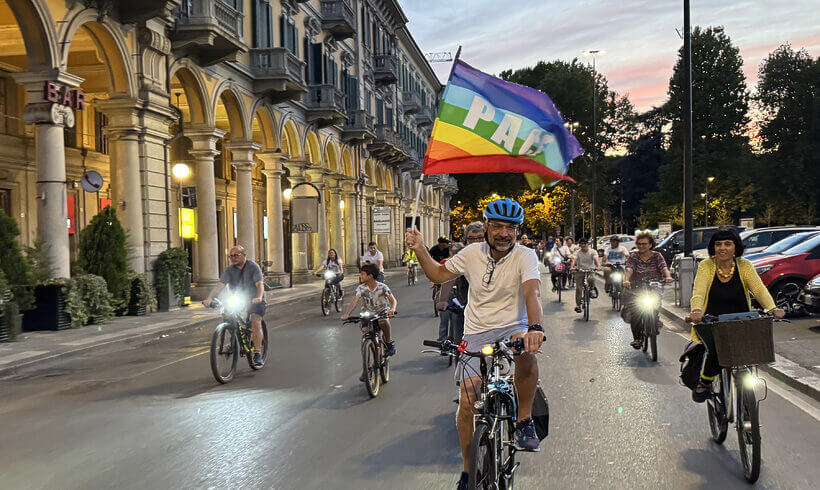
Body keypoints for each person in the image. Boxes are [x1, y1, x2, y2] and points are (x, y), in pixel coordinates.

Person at [406, 197, 545, 490]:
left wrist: (534, 328)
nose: (504, 233)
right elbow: (438, 274)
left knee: (527, 351)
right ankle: (468, 471)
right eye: (497, 226)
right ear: (486, 227)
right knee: (468, 401)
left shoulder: (526, 256)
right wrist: (419, 248)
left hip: (514, 326)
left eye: (510, 228)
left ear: (518, 231)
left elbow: (532, 293)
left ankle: (523, 421)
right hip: (477, 331)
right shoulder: (470, 253)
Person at [688, 228, 785, 402]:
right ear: (713, 247)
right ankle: (705, 381)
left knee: (748, 352)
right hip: (713, 320)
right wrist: (696, 311)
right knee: (716, 352)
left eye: (727, 244)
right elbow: (699, 292)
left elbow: (759, 289)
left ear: (736, 247)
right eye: (718, 244)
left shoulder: (744, 265)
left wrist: (772, 308)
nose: (722, 248)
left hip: (742, 321)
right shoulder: (706, 265)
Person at [202, 245, 266, 367]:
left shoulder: (253, 267)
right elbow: (219, 285)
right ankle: (234, 337)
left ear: (244, 255)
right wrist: (209, 298)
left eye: (236, 255)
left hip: (254, 299)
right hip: (238, 299)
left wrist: (259, 297)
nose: (233, 258)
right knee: (227, 316)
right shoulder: (229, 270)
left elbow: (260, 284)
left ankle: (257, 352)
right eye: (231, 256)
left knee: (255, 320)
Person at [341, 264, 398, 369]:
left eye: (362, 274)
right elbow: (354, 301)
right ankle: (366, 367)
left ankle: (389, 343)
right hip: (367, 314)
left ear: (370, 276)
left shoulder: (382, 287)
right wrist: (347, 314)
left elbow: (393, 300)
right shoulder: (361, 288)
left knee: (383, 322)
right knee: (365, 337)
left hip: (381, 312)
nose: (360, 276)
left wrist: (392, 309)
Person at [623, 232, 673, 348]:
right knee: (636, 312)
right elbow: (629, 269)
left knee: (656, 302)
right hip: (638, 286)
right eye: (639, 244)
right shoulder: (634, 256)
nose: (642, 246)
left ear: (650, 245)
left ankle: (655, 319)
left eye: (644, 244)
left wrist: (668, 276)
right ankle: (637, 338)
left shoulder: (657, 256)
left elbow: (663, 267)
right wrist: (626, 280)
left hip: (654, 284)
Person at [436, 242, 465, 344]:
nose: (454, 254)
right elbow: (438, 273)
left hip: (462, 294)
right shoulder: (445, 262)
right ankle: (442, 340)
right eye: (453, 252)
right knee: (444, 317)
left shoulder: (466, 260)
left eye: (457, 252)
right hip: (449, 293)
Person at [570, 238, 601, 313]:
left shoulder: (592, 251)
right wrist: (572, 267)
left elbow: (596, 260)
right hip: (580, 271)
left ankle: (592, 289)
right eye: (582, 244)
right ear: (580, 245)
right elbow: (574, 260)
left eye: (585, 243)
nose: (583, 245)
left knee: (591, 278)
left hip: (590, 270)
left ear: (588, 244)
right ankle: (578, 305)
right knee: (579, 288)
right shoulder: (577, 252)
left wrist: (598, 266)